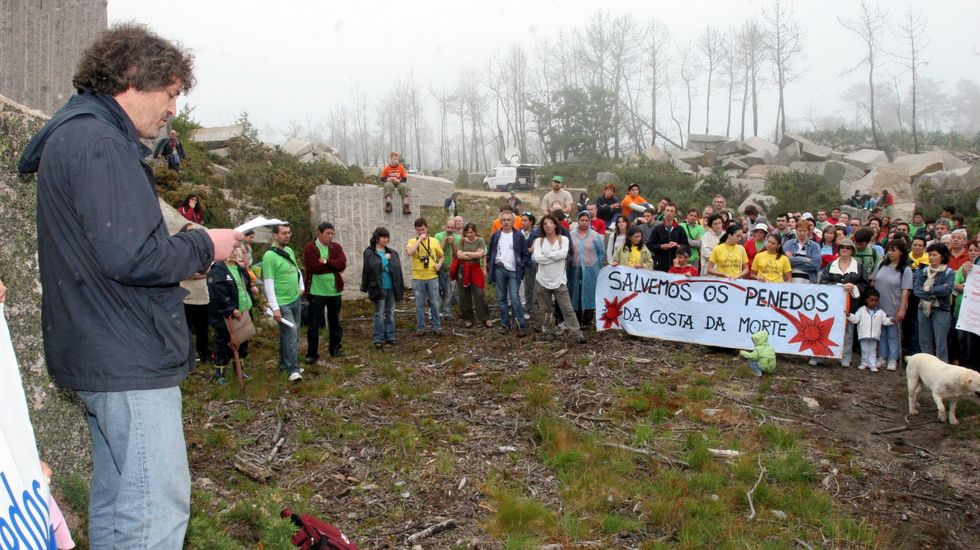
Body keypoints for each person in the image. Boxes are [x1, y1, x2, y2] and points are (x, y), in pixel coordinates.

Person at [17, 23, 243, 548]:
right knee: (153, 511)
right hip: (126, 356)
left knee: (120, 498)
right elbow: (131, 255)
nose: (172, 111)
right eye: (171, 95)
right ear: (135, 77)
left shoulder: (77, 135)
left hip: (100, 349)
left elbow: (112, 249)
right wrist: (206, 245)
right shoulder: (99, 142)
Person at [531, 215, 585, 343]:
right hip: (542, 281)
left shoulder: (564, 239)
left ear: (555, 225)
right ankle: (549, 332)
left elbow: (564, 254)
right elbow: (538, 258)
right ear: (542, 227)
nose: (548, 225)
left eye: (550, 222)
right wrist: (555, 256)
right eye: (545, 224)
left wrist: (547, 255)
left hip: (559, 281)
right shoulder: (539, 241)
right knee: (546, 309)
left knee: (567, 309)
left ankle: (576, 333)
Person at [208, 243, 256, 384]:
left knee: (243, 341)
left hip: (244, 312)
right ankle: (219, 374)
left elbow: (245, 286)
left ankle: (239, 371)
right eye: (232, 249)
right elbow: (217, 294)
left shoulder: (239, 268)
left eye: (237, 250)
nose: (235, 253)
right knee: (225, 343)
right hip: (227, 316)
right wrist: (230, 309)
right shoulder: (218, 270)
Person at [264, 224, 304, 381]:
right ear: (275, 235)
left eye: (289, 232)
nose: (287, 235)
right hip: (282, 302)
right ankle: (293, 370)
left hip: (295, 299)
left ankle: (284, 365)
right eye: (283, 233)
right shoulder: (269, 256)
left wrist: (301, 286)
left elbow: (296, 269)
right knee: (291, 333)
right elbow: (268, 282)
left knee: (290, 335)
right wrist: (275, 308)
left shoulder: (289, 251)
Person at [818, 239, 867, 367]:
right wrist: (839, 286)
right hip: (831, 303)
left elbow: (865, 284)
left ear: (852, 250)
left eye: (848, 247)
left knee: (848, 331)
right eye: (842, 247)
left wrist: (854, 286)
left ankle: (845, 357)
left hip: (851, 303)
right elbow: (823, 281)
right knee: (825, 328)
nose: (845, 249)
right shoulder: (831, 265)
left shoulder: (859, 266)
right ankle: (820, 355)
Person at [303, 222, 347, 362]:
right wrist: (332, 265)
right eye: (328, 233)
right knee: (314, 324)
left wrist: (326, 261)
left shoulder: (336, 247)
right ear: (319, 233)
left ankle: (335, 349)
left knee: (335, 322)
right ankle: (312, 354)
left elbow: (342, 265)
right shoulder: (311, 247)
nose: (330, 236)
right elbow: (312, 267)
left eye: (332, 234)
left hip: (334, 291)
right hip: (316, 292)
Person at [487, 209, 530, 336]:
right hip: (499, 269)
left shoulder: (518, 236)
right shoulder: (495, 236)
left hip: (513, 271)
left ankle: (521, 325)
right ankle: (505, 324)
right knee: (501, 299)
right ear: (500, 222)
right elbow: (490, 253)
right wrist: (491, 265)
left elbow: (525, 254)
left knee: (515, 298)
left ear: (513, 221)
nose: (506, 222)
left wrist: (520, 266)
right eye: (504, 220)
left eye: (508, 220)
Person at [873, 240, 912, 371]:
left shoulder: (905, 269)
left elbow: (906, 290)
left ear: (901, 252)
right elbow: (874, 281)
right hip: (879, 304)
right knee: (881, 333)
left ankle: (892, 359)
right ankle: (882, 356)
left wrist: (902, 308)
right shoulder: (881, 264)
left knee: (893, 334)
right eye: (889, 249)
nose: (890, 252)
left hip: (894, 304)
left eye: (893, 250)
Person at [361, 227, 404, 348]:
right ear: (376, 238)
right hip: (379, 287)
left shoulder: (392, 252)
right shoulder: (369, 252)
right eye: (383, 237)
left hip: (391, 286)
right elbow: (372, 268)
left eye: (387, 237)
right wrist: (385, 260)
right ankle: (378, 338)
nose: (386, 239)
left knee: (390, 312)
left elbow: (397, 271)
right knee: (379, 313)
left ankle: (390, 336)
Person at [914, 243, 955, 362]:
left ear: (942, 256)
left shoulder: (949, 272)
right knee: (924, 340)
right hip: (923, 309)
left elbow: (947, 290)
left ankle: (942, 371)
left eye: (934, 255)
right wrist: (936, 290)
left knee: (940, 342)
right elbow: (917, 290)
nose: (931, 257)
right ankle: (927, 367)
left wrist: (928, 290)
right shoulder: (923, 271)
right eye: (930, 255)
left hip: (941, 310)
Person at [179, 224, 211, 365]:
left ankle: (203, 354)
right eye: (190, 231)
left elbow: (207, 270)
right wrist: (198, 274)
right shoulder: (180, 252)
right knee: (185, 330)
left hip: (202, 297)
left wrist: (199, 274)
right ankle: (186, 357)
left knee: (202, 330)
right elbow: (185, 272)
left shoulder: (204, 251)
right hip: (186, 297)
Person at [407, 217, 444, 334]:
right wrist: (419, 240)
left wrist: (439, 264)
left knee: (434, 302)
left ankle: (436, 327)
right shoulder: (412, 241)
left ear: (427, 228)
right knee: (419, 304)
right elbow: (409, 252)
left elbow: (441, 256)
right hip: (418, 278)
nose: (421, 232)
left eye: (423, 229)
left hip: (432, 277)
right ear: (415, 230)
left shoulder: (434, 241)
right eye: (418, 230)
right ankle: (421, 328)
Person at [568, 211, 606, 326]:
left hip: (590, 269)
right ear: (578, 221)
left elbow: (601, 252)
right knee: (576, 291)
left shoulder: (595, 236)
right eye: (582, 220)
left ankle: (588, 319)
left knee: (589, 291)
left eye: (586, 220)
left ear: (589, 221)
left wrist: (595, 263)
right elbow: (568, 251)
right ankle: (577, 318)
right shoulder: (571, 235)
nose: (584, 223)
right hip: (575, 268)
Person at [848, 288, 893, 372]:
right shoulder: (861, 310)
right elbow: (856, 319)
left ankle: (872, 364)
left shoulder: (880, 312)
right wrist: (849, 315)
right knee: (864, 349)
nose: (873, 303)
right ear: (866, 300)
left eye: (876, 301)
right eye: (871, 300)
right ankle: (864, 363)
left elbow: (885, 321)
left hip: (874, 335)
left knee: (872, 350)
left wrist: (892, 320)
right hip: (863, 334)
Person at [456, 222, 491, 328]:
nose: (469, 234)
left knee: (479, 293)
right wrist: (473, 255)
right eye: (467, 232)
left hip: (476, 269)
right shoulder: (461, 241)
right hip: (463, 270)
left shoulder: (480, 241)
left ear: (475, 232)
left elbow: (480, 254)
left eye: (471, 232)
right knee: (464, 294)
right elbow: (459, 256)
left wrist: (466, 253)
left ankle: (485, 317)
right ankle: (468, 318)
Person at [953, 241, 980, 370]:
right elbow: (956, 284)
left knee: (973, 343)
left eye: (976, 250)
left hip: (976, 313)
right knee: (962, 341)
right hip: (963, 311)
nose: (973, 252)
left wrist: (966, 288)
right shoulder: (966, 266)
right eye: (970, 250)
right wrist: (965, 273)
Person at [647, 203, 689, 272]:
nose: (669, 213)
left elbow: (687, 247)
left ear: (675, 214)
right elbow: (649, 246)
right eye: (667, 210)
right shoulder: (657, 228)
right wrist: (661, 246)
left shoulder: (680, 229)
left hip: (677, 266)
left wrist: (677, 245)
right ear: (664, 212)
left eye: (671, 211)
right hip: (660, 265)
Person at [434, 219, 461, 321]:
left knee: (449, 291)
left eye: (451, 228)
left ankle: (447, 312)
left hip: (451, 267)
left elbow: (456, 254)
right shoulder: (438, 236)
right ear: (445, 226)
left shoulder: (458, 238)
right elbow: (436, 252)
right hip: (439, 267)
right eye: (448, 227)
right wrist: (444, 241)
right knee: (437, 290)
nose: (449, 229)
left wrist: (453, 244)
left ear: (454, 228)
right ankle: (437, 311)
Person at [679, 207, 705, 272]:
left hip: (694, 259)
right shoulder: (680, 226)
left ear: (697, 218)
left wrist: (686, 240)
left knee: (693, 278)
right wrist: (694, 241)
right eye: (691, 215)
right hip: (681, 257)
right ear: (687, 215)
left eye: (695, 216)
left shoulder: (700, 228)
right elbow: (678, 240)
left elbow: (700, 244)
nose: (692, 217)